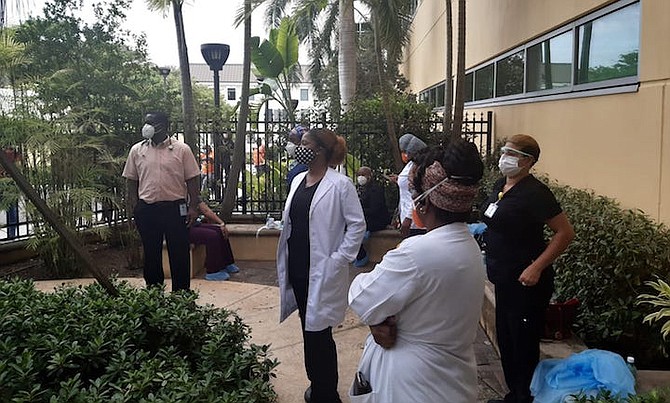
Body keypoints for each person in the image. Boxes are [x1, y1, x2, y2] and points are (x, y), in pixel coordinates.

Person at [348, 139, 486, 402]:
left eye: (413, 194)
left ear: (423, 203)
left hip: (413, 385)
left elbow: (361, 298)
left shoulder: (417, 253)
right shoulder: (467, 245)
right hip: (454, 381)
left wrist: (379, 316)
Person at [481, 134, 575, 403]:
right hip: (503, 278)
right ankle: (514, 394)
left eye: (511, 153)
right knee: (507, 340)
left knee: (523, 343)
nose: (504, 157)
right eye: (504, 151)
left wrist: (537, 267)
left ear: (528, 161)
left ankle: (525, 396)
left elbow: (565, 233)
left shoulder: (536, 193)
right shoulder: (502, 184)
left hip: (527, 283)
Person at [276, 128, 366, 403]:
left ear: (320, 151)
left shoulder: (340, 185)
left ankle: (326, 392)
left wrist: (339, 258)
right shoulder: (299, 180)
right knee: (308, 328)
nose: (297, 148)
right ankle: (316, 384)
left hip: (323, 269)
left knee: (320, 334)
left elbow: (357, 225)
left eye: (304, 144)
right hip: (300, 267)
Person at [122, 111, 201, 291]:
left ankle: (181, 295)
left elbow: (192, 179)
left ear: (164, 126)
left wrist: (193, 207)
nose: (147, 126)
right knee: (151, 253)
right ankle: (154, 293)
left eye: (151, 123)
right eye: (146, 122)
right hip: (148, 209)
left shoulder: (182, 150)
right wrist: (135, 207)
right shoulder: (137, 150)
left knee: (179, 252)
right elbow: (131, 180)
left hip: (175, 208)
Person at [189, 201, 240, 281]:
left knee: (219, 230)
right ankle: (212, 271)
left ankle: (227, 263)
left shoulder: (193, 195)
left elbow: (206, 210)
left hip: (194, 225)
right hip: (183, 229)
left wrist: (221, 224)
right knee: (211, 236)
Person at [354, 166, 391, 268]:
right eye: (359, 175)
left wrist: (359, 211)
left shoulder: (375, 190)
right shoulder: (360, 189)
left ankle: (361, 255)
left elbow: (375, 210)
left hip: (377, 220)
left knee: (356, 228)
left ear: (370, 176)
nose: (361, 177)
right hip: (366, 218)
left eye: (363, 175)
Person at [396, 133, 427, 238]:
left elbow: (417, 193)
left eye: (404, 151)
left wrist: (408, 218)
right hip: (407, 217)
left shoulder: (418, 168)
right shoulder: (410, 165)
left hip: (414, 222)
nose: (403, 154)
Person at [1, 146, 21, 239]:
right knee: (12, 210)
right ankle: (12, 235)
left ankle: (12, 235)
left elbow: (18, 165)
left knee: (12, 210)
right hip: (6, 181)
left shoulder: (15, 151)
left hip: (10, 182)